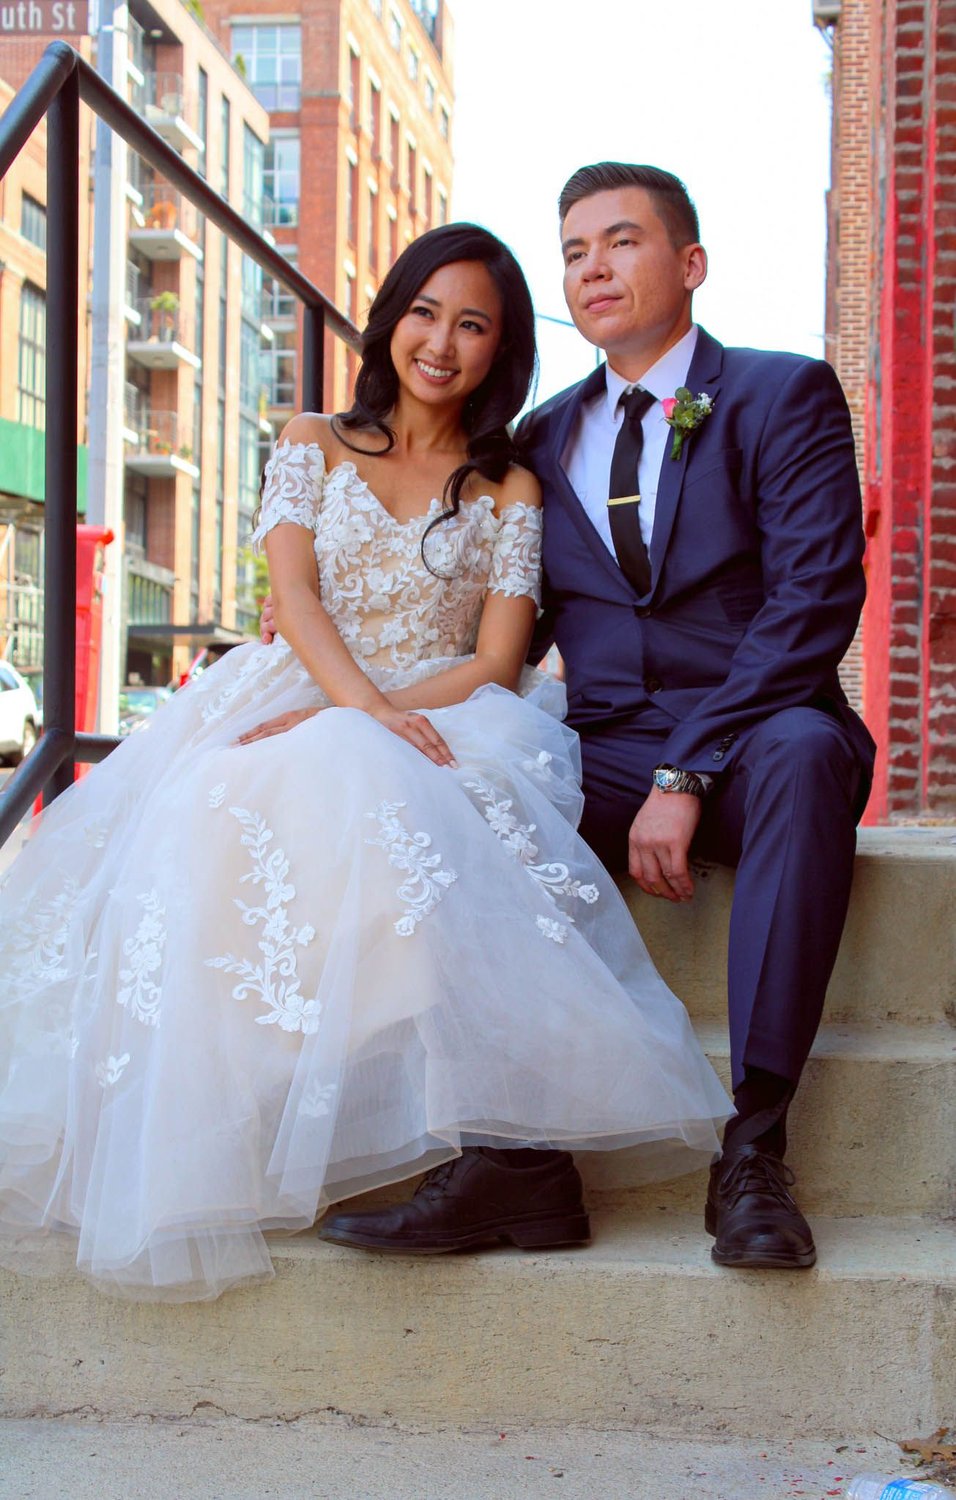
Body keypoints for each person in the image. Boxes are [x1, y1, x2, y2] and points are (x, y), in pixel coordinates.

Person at [0, 223, 729, 1302]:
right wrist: (344, 709)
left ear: (500, 350)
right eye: (424, 313)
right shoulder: (313, 440)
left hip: (446, 706)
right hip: (302, 684)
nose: (440, 342)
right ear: (390, 319)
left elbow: (495, 660)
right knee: (223, 792)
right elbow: (293, 597)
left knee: (375, 776)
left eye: (472, 325)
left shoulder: (508, 487)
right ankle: (237, 1123)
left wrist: (374, 719)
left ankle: (499, 1155)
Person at [315, 166, 876, 1271]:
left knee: (808, 756)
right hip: (604, 743)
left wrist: (687, 770)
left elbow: (814, 601)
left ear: (690, 264)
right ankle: (518, 1164)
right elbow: (493, 627)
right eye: (574, 251)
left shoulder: (782, 395)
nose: (592, 268)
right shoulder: (536, 438)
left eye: (621, 241)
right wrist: (335, 690)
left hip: (759, 733)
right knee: (451, 788)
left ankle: (753, 1152)